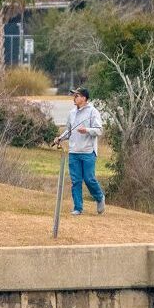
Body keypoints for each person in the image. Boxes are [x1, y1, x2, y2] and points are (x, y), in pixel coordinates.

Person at [64, 87, 106, 216]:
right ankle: (78, 208)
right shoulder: (71, 113)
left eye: (77, 96)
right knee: (76, 181)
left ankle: (99, 198)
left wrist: (86, 130)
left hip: (88, 152)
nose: (74, 98)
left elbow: (99, 130)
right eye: (74, 96)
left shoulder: (93, 112)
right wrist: (59, 138)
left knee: (89, 179)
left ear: (84, 98)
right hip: (73, 152)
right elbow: (69, 131)